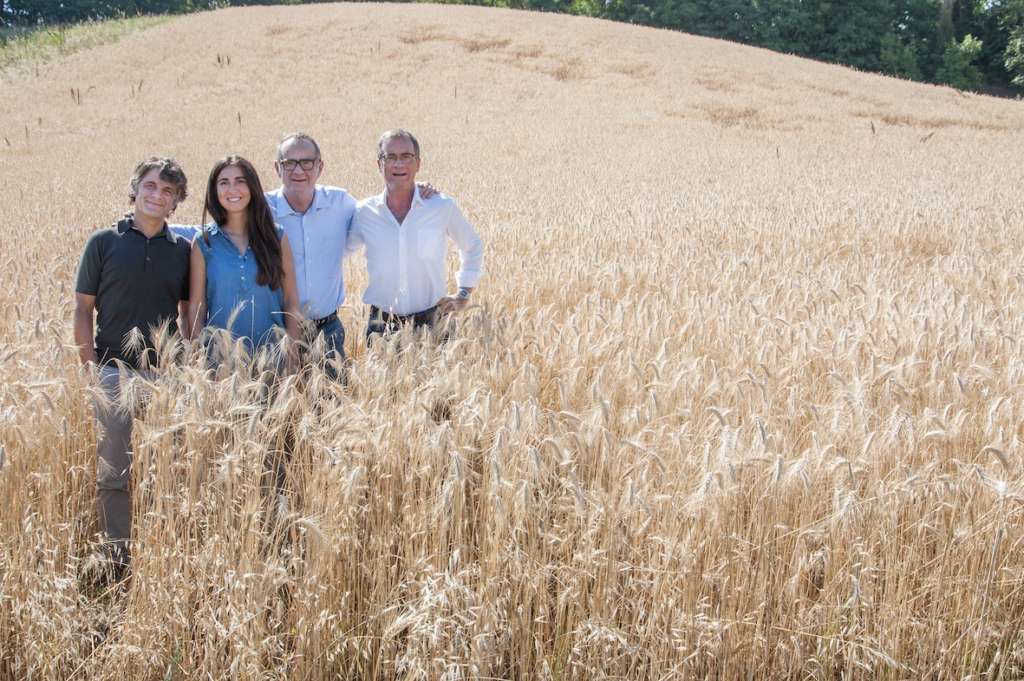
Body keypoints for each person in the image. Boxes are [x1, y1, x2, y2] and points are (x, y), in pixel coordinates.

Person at [73, 157, 192, 575]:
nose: (157, 195)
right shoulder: (103, 242)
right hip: (111, 371)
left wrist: (186, 369)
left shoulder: (182, 250)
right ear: (135, 187)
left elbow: (188, 312)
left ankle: (166, 549)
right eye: (151, 186)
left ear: (176, 202)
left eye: (167, 191)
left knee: (170, 466)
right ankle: (117, 557)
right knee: (113, 472)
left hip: (163, 376)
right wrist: (89, 366)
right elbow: (83, 308)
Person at [265, 132, 436, 373]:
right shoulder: (261, 210)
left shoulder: (340, 203)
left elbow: (381, 210)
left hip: (327, 330)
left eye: (307, 162)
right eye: (289, 163)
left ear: (320, 167)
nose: (298, 170)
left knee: (331, 402)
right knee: (275, 403)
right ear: (277, 168)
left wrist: (412, 188)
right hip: (274, 329)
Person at [350, 129, 484, 341]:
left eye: (406, 157)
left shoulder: (441, 206)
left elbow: (473, 246)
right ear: (379, 164)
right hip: (381, 325)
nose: (399, 164)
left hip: (434, 320)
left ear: (418, 163)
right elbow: (336, 250)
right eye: (390, 157)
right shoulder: (363, 212)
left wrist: (463, 295)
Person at [188, 156, 300, 363]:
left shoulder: (277, 237)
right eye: (224, 182)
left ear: (253, 187)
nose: (232, 189)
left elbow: (291, 301)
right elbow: (197, 307)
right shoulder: (204, 242)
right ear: (214, 191)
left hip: (272, 360)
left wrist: (291, 356)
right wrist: (198, 358)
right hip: (220, 364)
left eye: (240, 181)